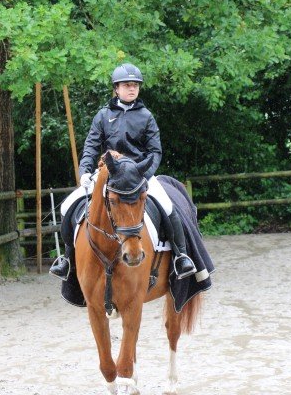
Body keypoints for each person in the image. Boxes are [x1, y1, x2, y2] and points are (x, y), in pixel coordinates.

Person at [49, 63, 197, 281]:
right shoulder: (103, 115)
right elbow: (90, 147)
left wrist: (143, 176)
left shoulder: (146, 116)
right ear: (116, 88)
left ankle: (180, 256)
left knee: (167, 207)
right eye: (127, 85)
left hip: (138, 174)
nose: (132, 89)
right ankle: (68, 260)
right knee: (68, 207)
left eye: (135, 85)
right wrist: (84, 173)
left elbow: (155, 151)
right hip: (109, 174)